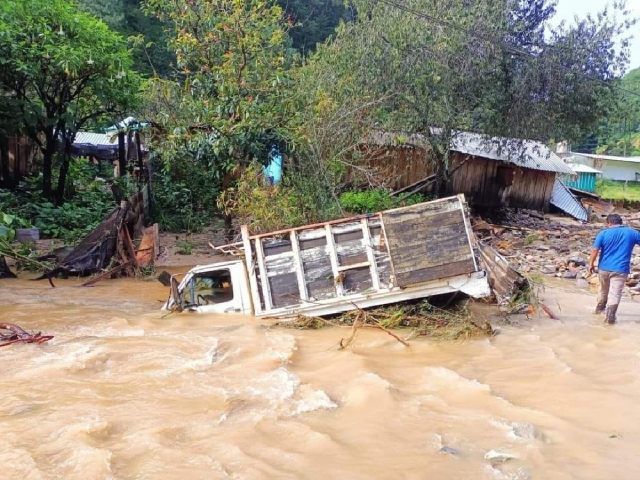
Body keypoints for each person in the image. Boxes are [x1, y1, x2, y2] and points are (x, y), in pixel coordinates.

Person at [588, 213, 640, 324]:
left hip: (604, 268)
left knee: (603, 291)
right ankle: (610, 316)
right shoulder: (632, 233)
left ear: (609, 223)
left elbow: (595, 250)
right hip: (621, 269)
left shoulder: (603, 233)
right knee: (615, 293)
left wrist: (591, 264)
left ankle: (599, 310)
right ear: (620, 222)